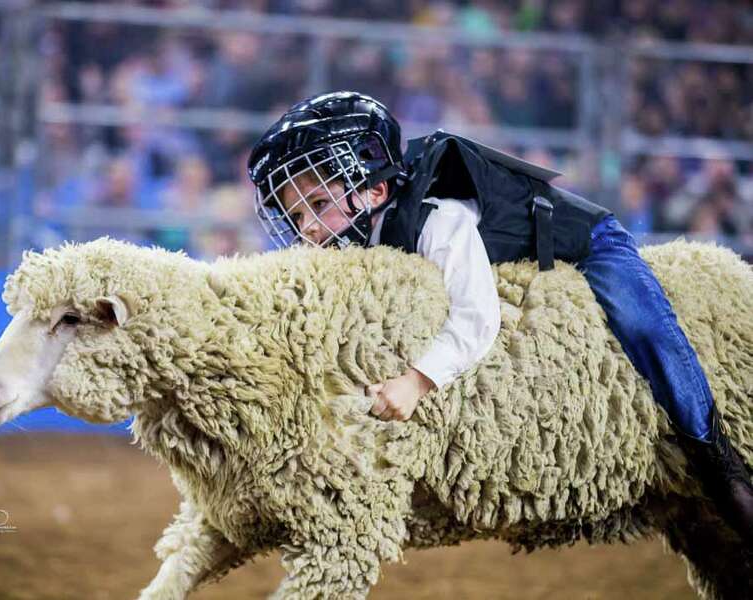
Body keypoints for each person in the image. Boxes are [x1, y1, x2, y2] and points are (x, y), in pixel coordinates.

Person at [247, 91, 752, 541]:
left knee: (645, 330)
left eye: (316, 203)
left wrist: (416, 383)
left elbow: (477, 318)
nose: (306, 228)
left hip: (590, 243)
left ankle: (716, 458)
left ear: (374, 191)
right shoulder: (366, 241)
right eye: (295, 216)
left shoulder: (438, 218)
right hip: (525, 262)